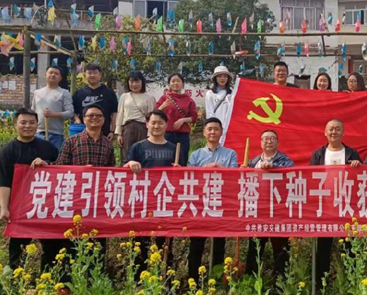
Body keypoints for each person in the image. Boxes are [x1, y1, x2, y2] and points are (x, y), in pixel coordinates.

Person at [31, 104, 116, 286]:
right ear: (83, 119)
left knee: (97, 243)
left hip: (97, 203)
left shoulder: (108, 144)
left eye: (98, 115)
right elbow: (60, 167)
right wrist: (46, 164)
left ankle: (94, 284)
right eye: (90, 115)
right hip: (75, 200)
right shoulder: (72, 141)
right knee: (71, 243)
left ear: (104, 120)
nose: (94, 118)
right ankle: (68, 284)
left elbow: (111, 172)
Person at [0, 108, 59, 270]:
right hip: (21, 207)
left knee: (52, 247)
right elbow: (4, 182)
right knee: (18, 247)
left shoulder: (48, 147)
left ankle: (48, 279)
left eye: (31, 122)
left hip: (46, 206)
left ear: (37, 125)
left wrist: (47, 164)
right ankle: (17, 279)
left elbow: (61, 171)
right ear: (15, 125)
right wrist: (4, 208)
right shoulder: (7, 151)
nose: (27, 126)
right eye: (23, 122)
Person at [124, 110, 177, 279]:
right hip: (142, 201)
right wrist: (130, 162)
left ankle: (165, 280)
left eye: (160, 123)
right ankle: (139, 280)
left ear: (166, 125)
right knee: (140, 243)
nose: (156, 126)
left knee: (165, 243)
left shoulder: (174, 148)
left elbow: (183, 176)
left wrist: (179, 170)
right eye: (153, 122)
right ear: (147, 124)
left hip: (165, 202)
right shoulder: (138, 147)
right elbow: (124, 168)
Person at [310, 119, 362, 288]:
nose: (334, 132)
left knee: (349, 246)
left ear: (343, 132)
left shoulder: (351, 153)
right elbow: (310, 178)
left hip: (347, 206)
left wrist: (357, 166)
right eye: (331, 129)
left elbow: (362, 177)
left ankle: (351, 283)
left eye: (337, 129)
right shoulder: (318, 154)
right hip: (325, 206)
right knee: (323, 247)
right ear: (325, 132)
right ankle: (320, 285)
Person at [187, 118, 239, 282]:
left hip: (221, 203)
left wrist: (220, 169)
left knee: (219, 243)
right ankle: (193, 280)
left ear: (221, 132)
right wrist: (205, 169)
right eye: (209, 129)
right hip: (200, 204)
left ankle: (216, 281)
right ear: (204, 132)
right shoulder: (196, 155)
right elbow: (189, 177)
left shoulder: (230, 154)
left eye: (216, 129)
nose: (212, 132)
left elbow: (234, 175)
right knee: (196, 243)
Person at [245, 129, 295, 283]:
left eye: (272, 138)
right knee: (255, 246)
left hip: (278, 210)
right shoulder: (253, 161)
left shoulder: (285, 161)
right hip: (258, 209)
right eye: (265, 138)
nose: (268, 141)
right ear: (260, 142)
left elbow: (291, 175)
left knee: (280, 247)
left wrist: (274, 168)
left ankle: (281, 283)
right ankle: (252, 281)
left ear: (277, 142)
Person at [156, 73, 197, 167]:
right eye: (173, 81)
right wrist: (162, 107)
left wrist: (183, 120)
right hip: (167, 134)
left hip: (183, 135)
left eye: (178, 81)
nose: (176, 83)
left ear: (182, 84)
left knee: (182, 160)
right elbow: (155, 114)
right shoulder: (164, 98)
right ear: (169, 84)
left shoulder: (188, 100)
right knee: (166, 160)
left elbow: (194, 117)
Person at [115, 71, 155, 162]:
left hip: (143, 129)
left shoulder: (150, 98)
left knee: (142, 154)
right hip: (127, 129)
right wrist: (119, 134)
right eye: (131, 81)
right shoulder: (124, 96)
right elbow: (120, 114)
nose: (134, 84)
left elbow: (151, 118)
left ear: (142, 82)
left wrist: (150, 135)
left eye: (137, 81)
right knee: (126, 155)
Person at [31, 66, 73, 151]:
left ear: (60, 78)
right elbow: (33, 113)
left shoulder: (64, 93)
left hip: (56, 135)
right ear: (45, 75)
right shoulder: (37, 93)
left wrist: (52, 114)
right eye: (50, 72)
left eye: (56, 73)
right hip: (38, 134)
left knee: (55, 158)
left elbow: (70, 113)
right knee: (38, 158)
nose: (53, 75)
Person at [73, 63, 118, 139]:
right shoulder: (79, 93)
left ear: (100, 75)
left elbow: (114, 113)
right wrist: (76, 119)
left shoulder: (109, 93)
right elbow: (73, 111)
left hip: (105, 134)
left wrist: (112, 131)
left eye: (95, 73)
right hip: (83, 133)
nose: (92, 75)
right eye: (89, 73)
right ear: (84, 75)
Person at [205, 66, 234, 130]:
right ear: (215, 78)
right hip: (217, 127)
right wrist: (214, 127)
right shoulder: (210, 93)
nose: (222, 78)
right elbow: (210, 113)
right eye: (219, 76)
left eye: (225, 76)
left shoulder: (233, 92)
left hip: (231, 127)